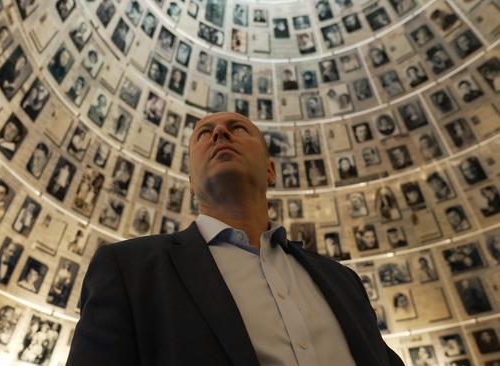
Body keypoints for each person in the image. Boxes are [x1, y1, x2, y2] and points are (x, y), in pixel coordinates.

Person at [67, 112, 404, 365]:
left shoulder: (343, 281)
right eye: (204, 134)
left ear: (271, 170)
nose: (220, 133)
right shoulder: (129, 270)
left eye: (238, 129)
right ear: (191, 183)